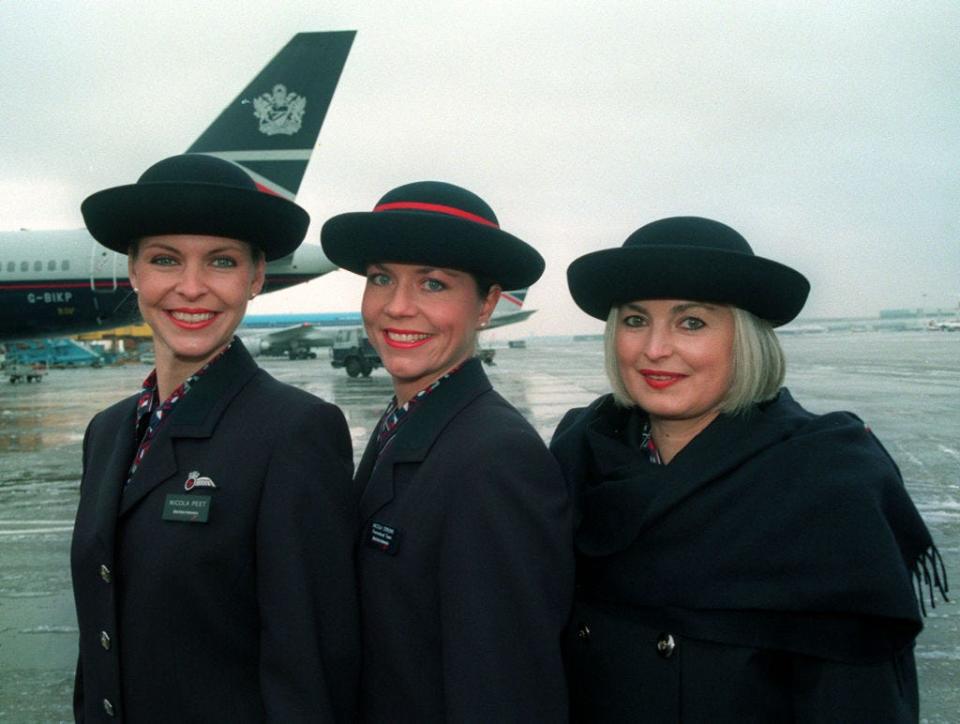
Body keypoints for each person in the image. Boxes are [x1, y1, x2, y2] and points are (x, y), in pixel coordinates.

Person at [552, 216, 948, 722]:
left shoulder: (825, 479)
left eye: (691, 322)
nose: (654, 348)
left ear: (747, 339)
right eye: (634, 321)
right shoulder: (577, 454)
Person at [71, 154, 360, 722]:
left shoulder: (295, 432)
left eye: (221, 262)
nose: (191, 287)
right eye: (164, 260)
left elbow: (309, 672)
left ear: (255, 278)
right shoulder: (107, 432)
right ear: (133, 272)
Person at [321, 181, 573, 722]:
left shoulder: (496, 458)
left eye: (433, 284)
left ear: (486, 305)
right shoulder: (409, 420)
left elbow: (506, 688)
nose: (397, 307)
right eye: (381, 279)